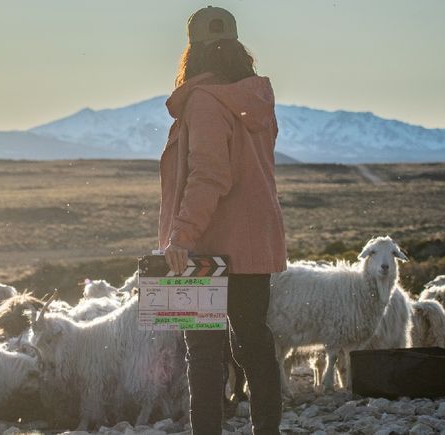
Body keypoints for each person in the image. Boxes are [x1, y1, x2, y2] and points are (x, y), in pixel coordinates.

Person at [158, 6, 287, 435]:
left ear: (191, 52)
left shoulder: (204, 101)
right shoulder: (255, 101)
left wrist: (181, 234)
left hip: (205, 248)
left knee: (205, 355)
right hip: (254, 246)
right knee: (253, 341)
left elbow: (210, 173)